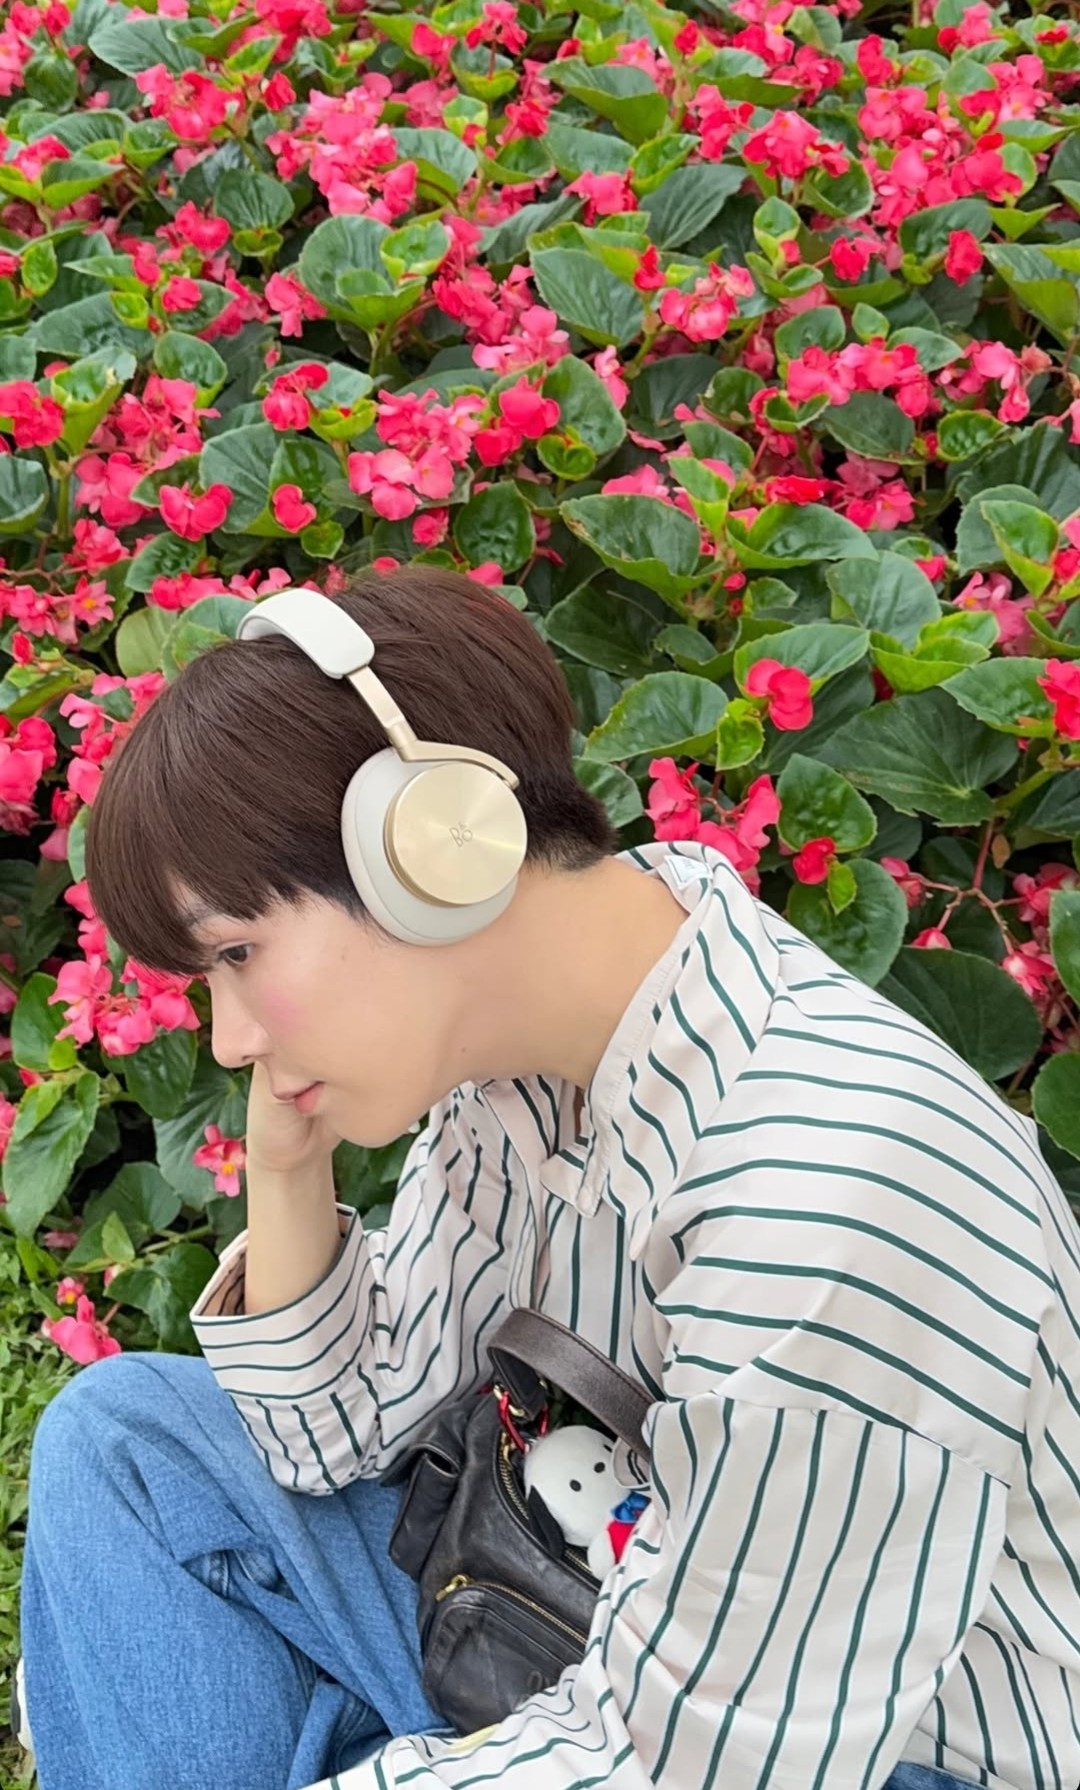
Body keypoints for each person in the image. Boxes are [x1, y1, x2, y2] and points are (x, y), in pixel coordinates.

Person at [15, 564, 1080, 1790]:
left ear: (434, 851)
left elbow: (692, 1760)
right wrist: (285, 1157)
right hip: (577, 1596)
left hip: (869, 1743)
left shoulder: (835, 1185)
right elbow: (343, 1432)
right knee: (127, 1443)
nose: (230, 1038)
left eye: (240, 953)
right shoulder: (529, 1066)